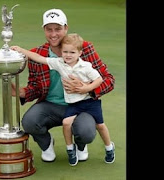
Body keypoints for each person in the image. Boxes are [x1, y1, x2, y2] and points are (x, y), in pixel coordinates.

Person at [10, 9, 115, 164]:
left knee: (86, 132)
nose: (53, 34)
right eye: (49, 29)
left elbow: (108, 80)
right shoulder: (38, 54)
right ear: (44, 30)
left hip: (82, 105)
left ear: (66, 28)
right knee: (30, 122)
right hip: (51, 105)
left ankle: (80, 146)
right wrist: (22, 92)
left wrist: (87, 88)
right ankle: (47, 145)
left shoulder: (84, 48)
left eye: (58, 29)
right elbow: (36, 87)